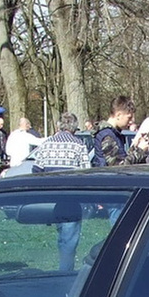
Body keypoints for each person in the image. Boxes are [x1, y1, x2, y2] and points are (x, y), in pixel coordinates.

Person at [33, 113, 95, 269]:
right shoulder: (79, 145)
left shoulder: (46, 144)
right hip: (70, 200)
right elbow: (87, 174)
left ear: (58, 126)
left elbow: (36, 170)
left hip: (51, 200)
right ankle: (64, 274)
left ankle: (62, 268)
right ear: (74, 128)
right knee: (69, 242)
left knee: (62, 239)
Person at [93, 96, 136, 167]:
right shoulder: (107, 136)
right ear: (118, 115)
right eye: (129, 117)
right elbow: (118, 167)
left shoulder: (114, 134)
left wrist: (135, 148)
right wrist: (140, 151)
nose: (131, 121)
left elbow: (122, 157)